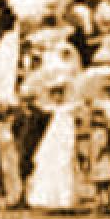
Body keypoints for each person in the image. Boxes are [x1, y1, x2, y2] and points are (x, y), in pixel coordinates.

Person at [27, 81, 80, 211]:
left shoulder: (68, 110)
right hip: (50, 143)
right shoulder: (47, 110)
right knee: (47, 167)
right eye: (54, 94)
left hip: (62, 143)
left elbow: (70, 128)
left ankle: (64, 200)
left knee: (63, 168)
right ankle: (46, 199)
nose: (57, 97)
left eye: (59, 94)